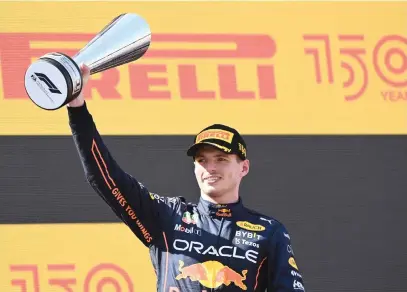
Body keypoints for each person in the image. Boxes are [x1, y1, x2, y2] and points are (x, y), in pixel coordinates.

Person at [67, 64, 306, 292]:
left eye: (221, 159)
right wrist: (77, 109)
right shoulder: (166, 216)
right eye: (202, 160)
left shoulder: (270, 231)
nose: (210, 168)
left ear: (244, 167)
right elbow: (105, 177)